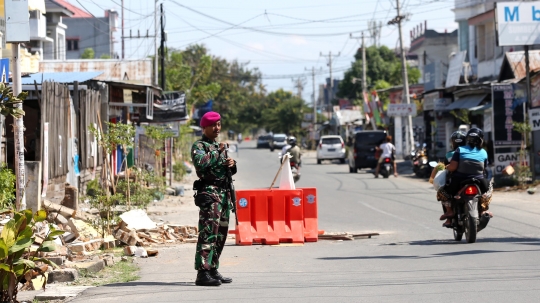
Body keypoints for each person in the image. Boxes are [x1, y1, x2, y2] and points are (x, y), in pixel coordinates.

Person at [191, 111, 237, 286]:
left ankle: (212, 268)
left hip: (223, 194)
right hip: (210, 194)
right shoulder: (199, 146)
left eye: (218, 124)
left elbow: (224, 169)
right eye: (213, 125)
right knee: (208, 233)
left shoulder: (218, 146)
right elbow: (201, 163)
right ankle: (202, 273)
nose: (217, 128)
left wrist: (231, 164)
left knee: (221, 234)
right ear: (204, 127)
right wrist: (220, 153)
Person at [439, 127, 492, 228]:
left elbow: (453, 167)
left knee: (443, 191)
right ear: (481, 139)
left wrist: (447, 167)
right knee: (487, 193)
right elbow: (484, 168)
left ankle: (449, 212)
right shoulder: (484, 152)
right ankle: (483, 210)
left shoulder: (460, 150)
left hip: (459, 179)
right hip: (479, 180)